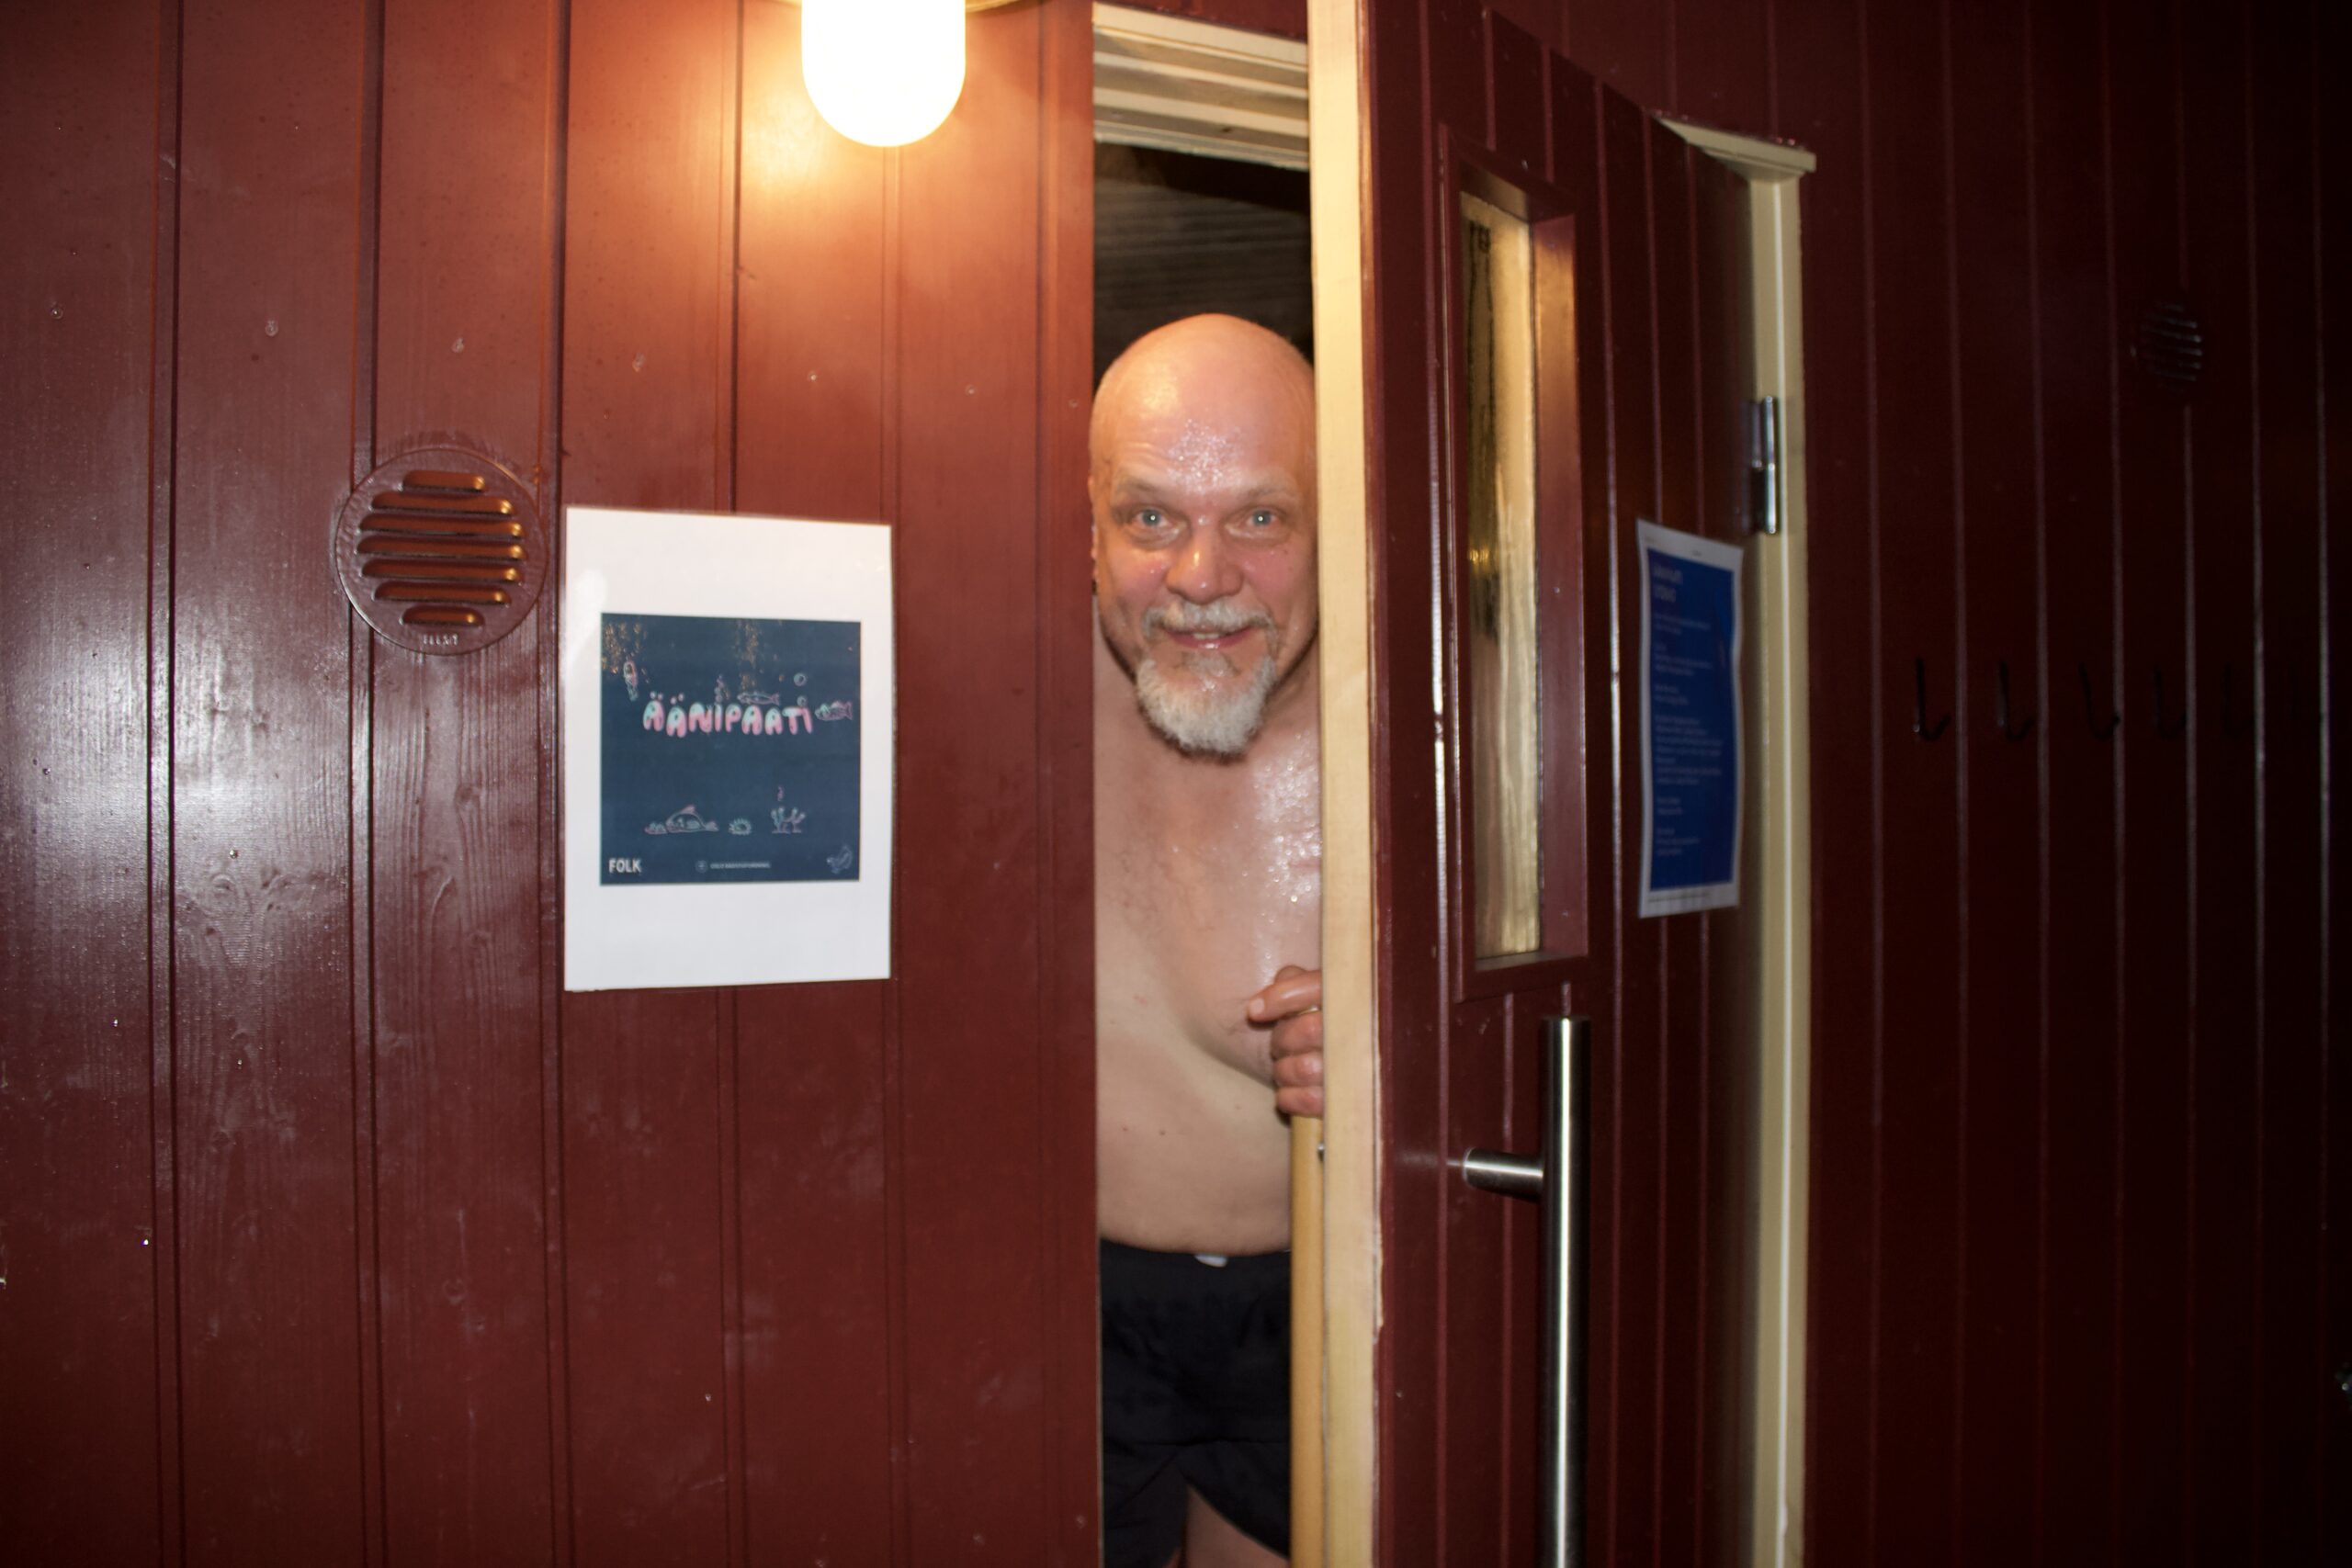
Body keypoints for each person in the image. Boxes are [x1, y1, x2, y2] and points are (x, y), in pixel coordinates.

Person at [1091, 314, 1329, 1568]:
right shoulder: (1001, 695)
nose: (1199, 575)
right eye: (1150, 517)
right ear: (1087, 527)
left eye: (1259, 517)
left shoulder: (1457, 725)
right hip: (1060, 1300)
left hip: (1317, 1304)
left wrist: (1424, 1049)